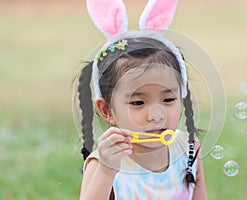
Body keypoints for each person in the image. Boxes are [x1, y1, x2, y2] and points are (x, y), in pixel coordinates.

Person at [73, 0, 208, 199]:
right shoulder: (104, 163)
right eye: (138, 103)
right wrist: (107, 170)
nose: (156, 115)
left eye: (168, 99)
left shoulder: (188, 147)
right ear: (107, 110)